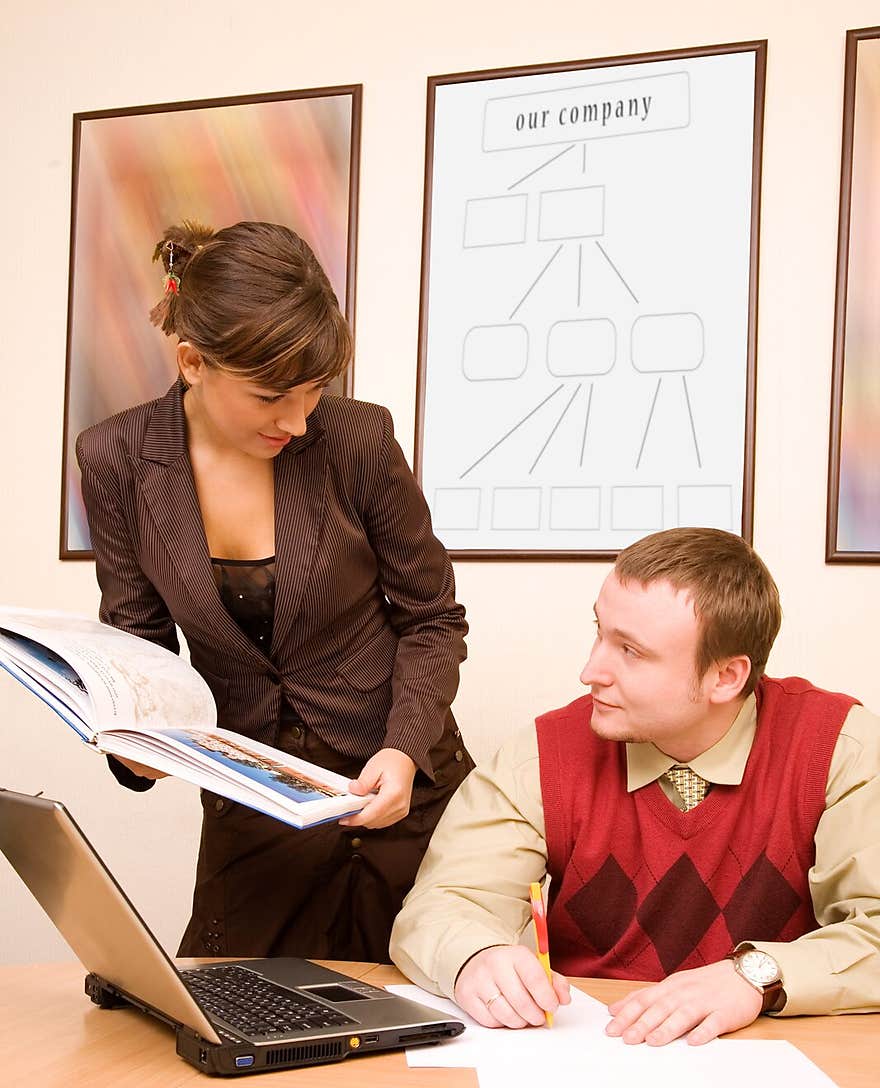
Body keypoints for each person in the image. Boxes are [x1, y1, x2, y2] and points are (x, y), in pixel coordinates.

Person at [76, 218, 474, 962]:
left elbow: (432, 619)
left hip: (398, 787)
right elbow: (141, 644)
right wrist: (136, 743)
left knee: (432, 1026)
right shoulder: (117, 458)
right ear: (192, 362)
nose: (297, 421)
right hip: (255, 799)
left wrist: (401, 749)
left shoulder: (356, 440)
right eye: (270, 397)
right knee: (225, 1018)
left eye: (315, 391)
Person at [389, 526, 880, 1045]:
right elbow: (444, 902)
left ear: (726, 677)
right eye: (600, 632)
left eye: (631, 651)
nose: (589, 671)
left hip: (769, 1062)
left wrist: (755, 976)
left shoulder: (839, 749)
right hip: (591, 1054)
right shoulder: (543, 753)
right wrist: (476, 956)